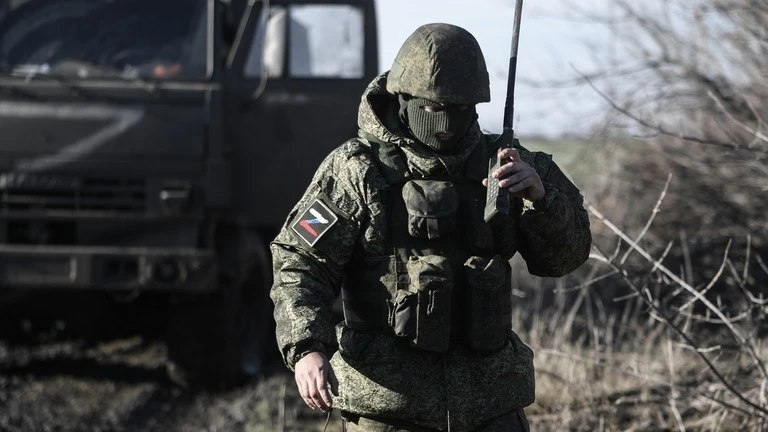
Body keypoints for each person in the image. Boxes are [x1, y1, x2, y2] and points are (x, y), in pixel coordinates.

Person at [270, 23, 591, 432]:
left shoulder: (511, 165)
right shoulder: (355, 170)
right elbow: (299, 261)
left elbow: (566, 258)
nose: (448, 123)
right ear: (404, 99)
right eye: (435, 109)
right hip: (387, 405)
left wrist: (543, 202)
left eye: (461, 108)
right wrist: (307, 349)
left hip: (491, 403)